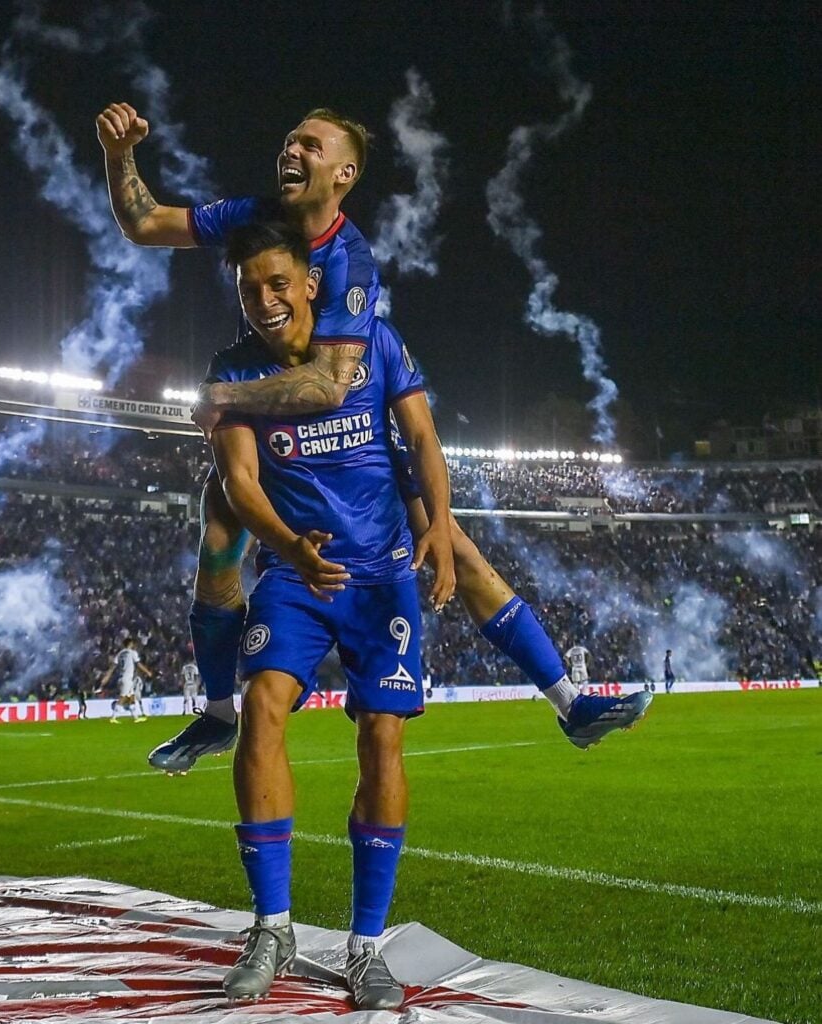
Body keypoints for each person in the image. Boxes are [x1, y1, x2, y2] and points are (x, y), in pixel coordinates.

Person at [96, 102, 652, 768]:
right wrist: (119, 152)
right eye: (287, 140)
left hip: (344, 426)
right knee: (218, 532)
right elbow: (145, 222)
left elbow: (329, 387)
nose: (290, 152)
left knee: (458, 551)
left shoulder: (349, 263)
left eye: (308, 144)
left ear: (344, 173)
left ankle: (570, 704)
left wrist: (222, 395)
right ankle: (217, 714)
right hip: (275, 426)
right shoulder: (253, 215)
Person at [211, 222, 452, 1007]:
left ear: (311, 283)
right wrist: (291, 545)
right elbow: (239, 481)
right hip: (294, 571)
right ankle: (272, 928)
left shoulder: (374, 343)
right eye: (250, 288)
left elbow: (420, 436)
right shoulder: (232, 369)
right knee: (263, 705)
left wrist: (438, 529)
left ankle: (364, 947)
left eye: (278, 283)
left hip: (381, 577)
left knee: (382, 736)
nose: (265, 299)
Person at [99, 638, 152, 723]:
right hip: (127, 678)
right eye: (133, 644)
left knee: (132, 697)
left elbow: (113, 666)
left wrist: (107, 676)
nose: (134, 645)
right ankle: (113, 717)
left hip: (121, 678)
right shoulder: (132, 653)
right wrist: (148, 672)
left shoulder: (120, 654)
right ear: (130, 644)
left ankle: (136, 717)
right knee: (123, 697)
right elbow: (138, 664)